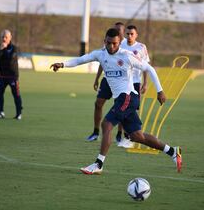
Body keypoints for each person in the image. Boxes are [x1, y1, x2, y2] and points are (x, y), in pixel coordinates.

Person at [50, 28, 182, 174]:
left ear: (120, 42)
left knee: (106, 124)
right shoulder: (100, 54)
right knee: (137, 136)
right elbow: (80, 60)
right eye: (108, 43)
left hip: (128, 97)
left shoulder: (127, 56)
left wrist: (160, 91)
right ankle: (173, 151)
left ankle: (98, 164)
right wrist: (62, 64)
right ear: (104, 41)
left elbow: (150, 68)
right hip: (121, 99)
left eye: (115, 43)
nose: (111, 46)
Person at [86, 22, 130, 144]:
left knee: (121, 107)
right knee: (98, 103)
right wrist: (97, 78)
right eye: (115, 29)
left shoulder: (127, 45)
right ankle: (95, 132)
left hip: (121, 81)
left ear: (123, 32)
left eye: (119, 30)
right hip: (107, 78)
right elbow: (102, 61)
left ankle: (120, 134)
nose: (117, 31)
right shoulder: (109, 42)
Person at [116, 24, 150, 148]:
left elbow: (146, 67)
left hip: (135, 82)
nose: (129, 36)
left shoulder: (141, 47)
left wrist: (145, 83)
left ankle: (130, 137)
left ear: (136, 35)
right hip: (123, 83)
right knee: (121, 109)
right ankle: (126, 136)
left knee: (132, 110)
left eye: (132, 34)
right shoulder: (121, 45)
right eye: (128, 34)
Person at [0, 29, 23, 120]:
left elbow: (10, 59)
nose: (4, 39)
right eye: (2, 37)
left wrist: (3, 49)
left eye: (6, 37)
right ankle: (0, 112)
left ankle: (19, 113)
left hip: (12, 75)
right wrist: (1, 49)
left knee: (16, 94)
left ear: (10, 38)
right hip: (1, 75)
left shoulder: (14, 48)